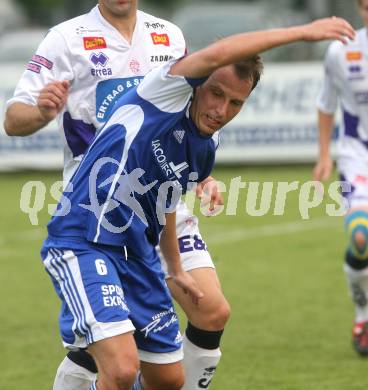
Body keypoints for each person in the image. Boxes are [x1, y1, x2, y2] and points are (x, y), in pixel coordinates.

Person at [37, 15, 353, 390]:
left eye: (236, 103)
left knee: (169, 380)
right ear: (198, 84)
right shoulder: (164, 91)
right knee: (120, 369)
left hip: (139, 255)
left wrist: (175, 267)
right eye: (217, 94)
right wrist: (303, 32)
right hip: (84, 238)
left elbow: (166, 203)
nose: (222, 110)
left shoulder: (204, 147)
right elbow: (219, 52)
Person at [4, 1, 229, 389]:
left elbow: (188, 115)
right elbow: (13, 119)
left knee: (211, 311)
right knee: (112, 350)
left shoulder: (169, 36)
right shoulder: (66, 38)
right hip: (100, 210)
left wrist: (200, 176)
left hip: (162, 203)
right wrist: (42, 111)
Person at [314, 0, 368, 356]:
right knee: (360, 237)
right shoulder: (341, 51)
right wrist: (323, 155)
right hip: (356, 155)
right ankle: (363, 314)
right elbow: (326, 104)